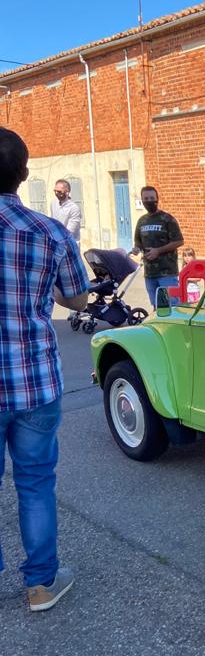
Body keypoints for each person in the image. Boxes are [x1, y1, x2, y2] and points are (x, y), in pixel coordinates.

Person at [0, 129, 89, 611]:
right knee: (35, 483)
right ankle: (40, 584)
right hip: (33, 381)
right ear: (24, 174)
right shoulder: (49, 231)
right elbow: (76, 299)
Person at [130, 186, 184, 308]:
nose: (149, 201)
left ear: (157, 199)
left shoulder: (167, 219)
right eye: (146, 198)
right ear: (142, 200)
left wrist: (158, 251)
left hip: (167, 272)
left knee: (172, 305)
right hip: (149, 273)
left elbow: (179, 241)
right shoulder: (142, 221)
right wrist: (137, 249)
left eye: (152, 198)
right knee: (157, 306)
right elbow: (138, 240)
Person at [50, 178, 82, 244]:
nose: (56, 193)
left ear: (67, 192)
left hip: (71, 244)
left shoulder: (74, 208)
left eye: (59, 192)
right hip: (57, 242)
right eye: (55, 191)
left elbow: (70, 231)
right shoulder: (53, 203)